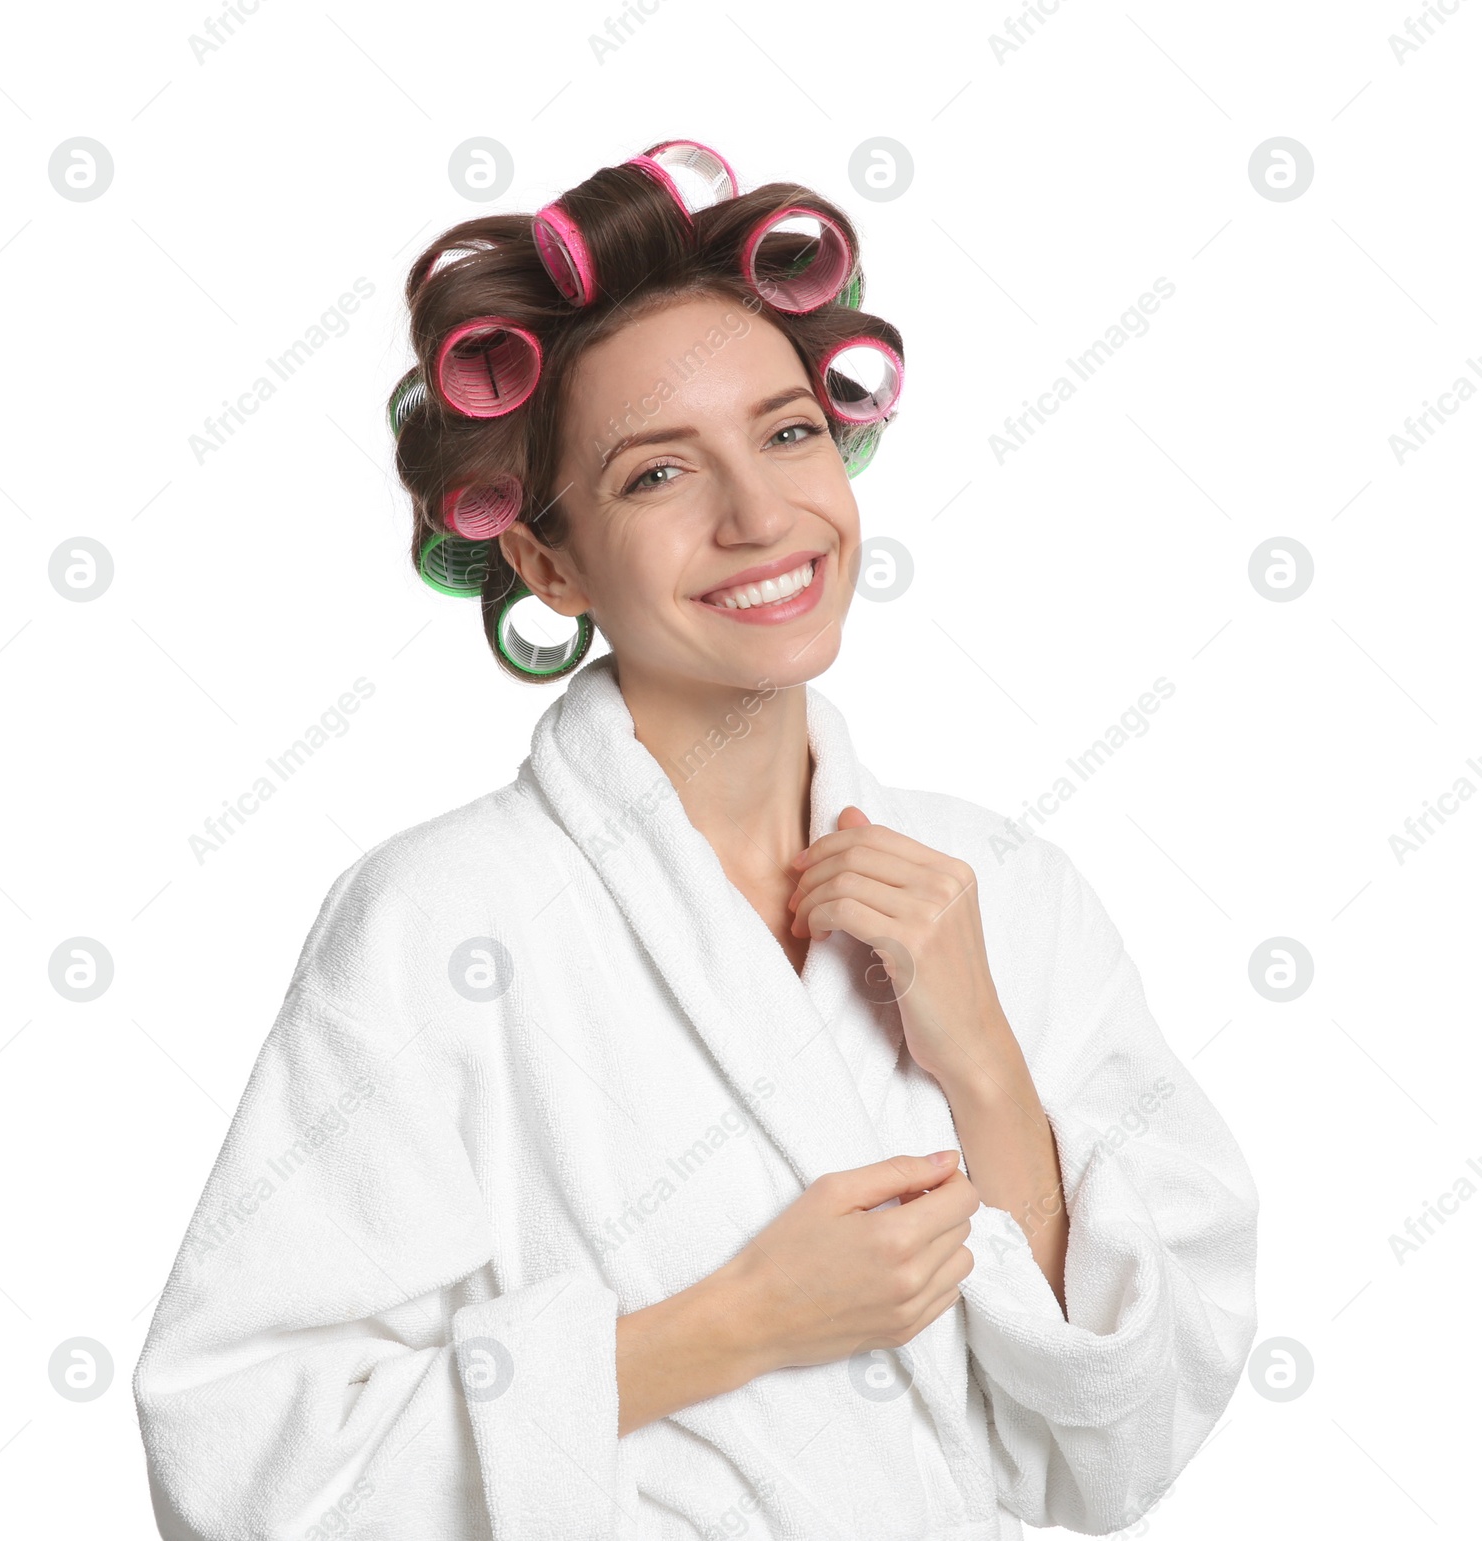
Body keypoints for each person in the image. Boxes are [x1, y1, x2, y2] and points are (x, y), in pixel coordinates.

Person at [133, 141, 1258, 1541]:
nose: (759, 514)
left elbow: (1118, 1450)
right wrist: (727, 1324)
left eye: (788, 433)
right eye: (660, 472)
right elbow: (240, 1453)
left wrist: (980, 1056)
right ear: (549, 563)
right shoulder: (439, 920)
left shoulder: (1004, 894)